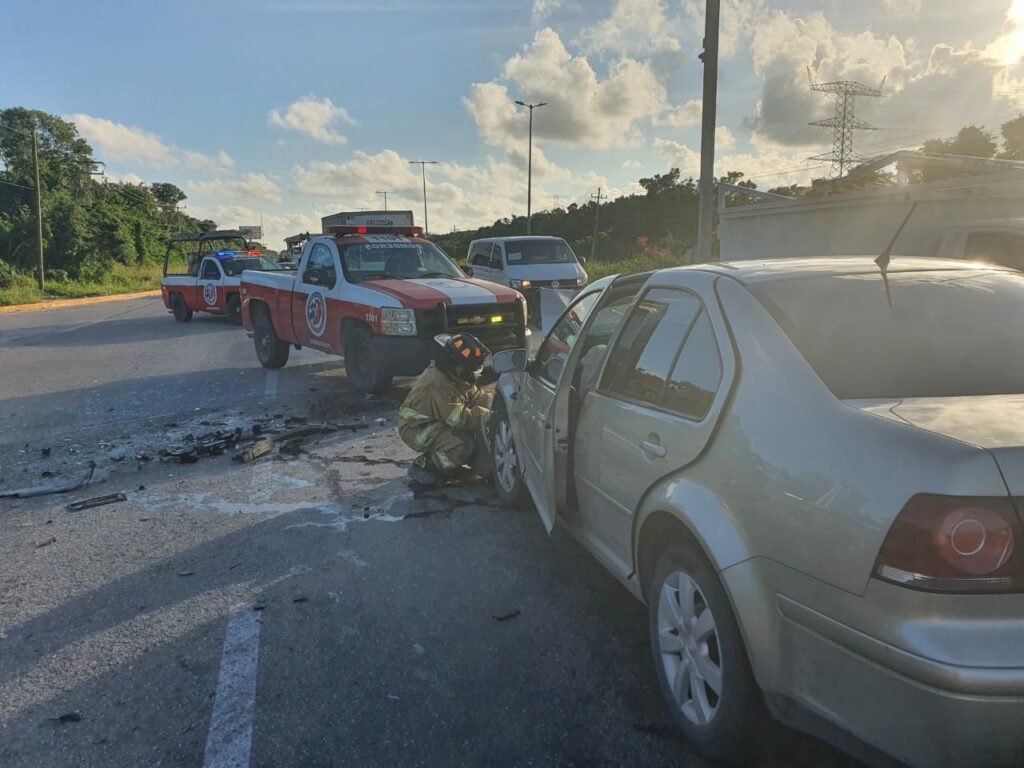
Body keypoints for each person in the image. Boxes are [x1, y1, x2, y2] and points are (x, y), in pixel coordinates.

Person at [398, 333, 495, 488]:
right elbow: (460, 419)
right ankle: (425, 467)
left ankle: (454, 461)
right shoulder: (437, 385)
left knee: (472, 438)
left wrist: (501, 403)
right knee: (462, 446)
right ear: (454, 364)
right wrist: (488, 416)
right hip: (418, 430)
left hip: (435, 422)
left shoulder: (454, 376)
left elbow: (476, 396)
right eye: (467, 370)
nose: (469, 375)